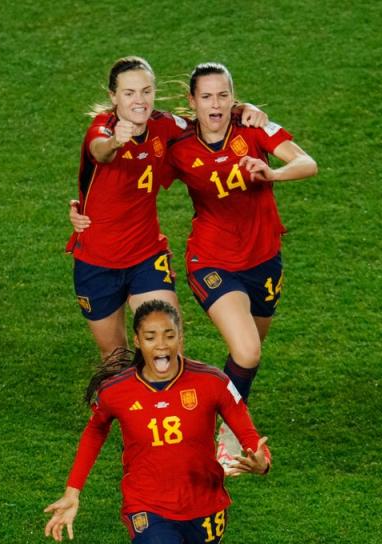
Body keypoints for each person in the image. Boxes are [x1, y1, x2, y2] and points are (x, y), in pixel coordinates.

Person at [44, 300, 271, 544]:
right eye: (151, 336)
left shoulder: (212, 382)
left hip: (206, 507)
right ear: (137, 340)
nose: (161, 344)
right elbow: (96, 430)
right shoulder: (116, 390)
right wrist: (73, 491)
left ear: (181, 337)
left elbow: (250, 436)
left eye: (169, 335)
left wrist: (260, 462)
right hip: (148, 509)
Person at [166, 62, 317, 468]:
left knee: (248, 354)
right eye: (206, 96)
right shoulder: (178, 144)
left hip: (264, 259)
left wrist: (273, 173)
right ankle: (228, 433)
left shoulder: (253, 127)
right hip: (211, 260)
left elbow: (307, 162)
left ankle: (223, 416)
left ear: (233, 96)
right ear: (191, 101)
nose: (215, 105)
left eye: (223, 95)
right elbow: (138, 160)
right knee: (248, 352)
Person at [67, 57, 269, 360]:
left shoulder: (164, 125)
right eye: (129, 93)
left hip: (146, 256)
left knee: (169, 346)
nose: (140, 100)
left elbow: (207, 118)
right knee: (115, 357)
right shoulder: (102, 130)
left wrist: (242, 108)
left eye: (146, 91)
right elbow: (100, 151)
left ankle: (167, 407)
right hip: (97, 261)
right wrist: (115, 143)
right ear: (113, 97)